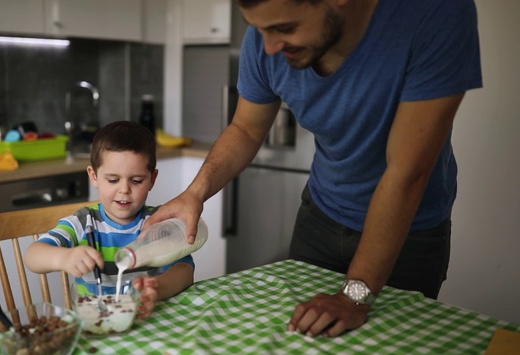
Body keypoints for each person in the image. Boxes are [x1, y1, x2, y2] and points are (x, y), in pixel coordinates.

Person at [146, 0, 481, 337]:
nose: (269, 47)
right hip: (320, 218)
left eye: (284, 28)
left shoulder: (436, 12)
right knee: (300, 338)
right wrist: (195, 194)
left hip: (409, 234)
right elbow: (245, 129)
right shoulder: (265, 42)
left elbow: (406, 172)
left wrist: (354, 296)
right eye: (258, 29)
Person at [25, 121, 194, 319]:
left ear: (152, 180)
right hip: (93, 321)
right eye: (113, 180)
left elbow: (184, 270)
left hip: (144, 321)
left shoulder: (157, 224)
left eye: (136, 180)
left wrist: (157, 288)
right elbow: (32, 256)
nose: (124, 190)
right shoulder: (83, 223)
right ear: (94, 176)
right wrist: (63, 258)